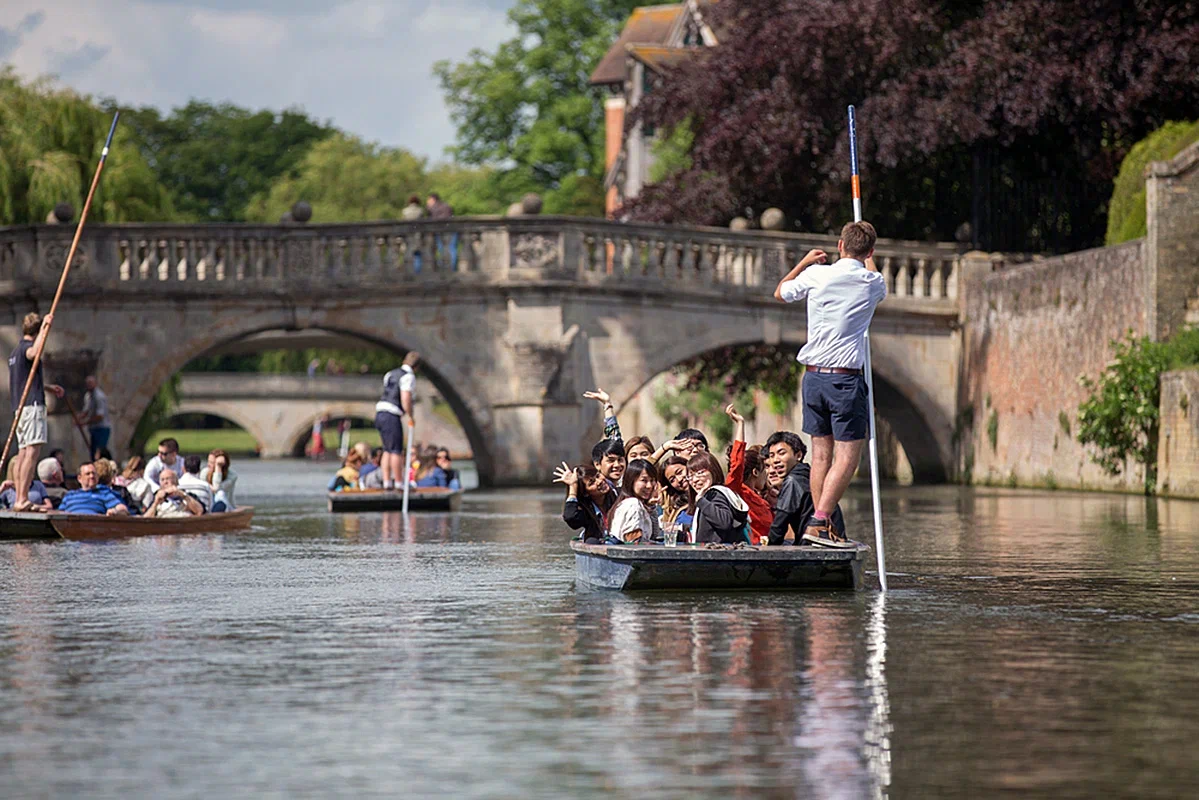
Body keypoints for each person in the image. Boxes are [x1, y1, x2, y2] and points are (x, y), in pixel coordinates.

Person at [774, 221, 886, 547]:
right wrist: (868, 257)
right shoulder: (872, 282)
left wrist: (806, 262)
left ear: (839, 245)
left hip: (813, 378)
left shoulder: (817, 275)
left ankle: (820, 523)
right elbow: (876, 277)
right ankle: (819, 521)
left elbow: (780, 292)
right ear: (870, 252)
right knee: (848, 458)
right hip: (845, 381)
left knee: (821, 457)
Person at [7, 311, 65, 511]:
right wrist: (46, 328)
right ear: (37, 330)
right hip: (31, 407)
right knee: (32, 452)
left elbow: (25, 380)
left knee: (23, 453)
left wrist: (48, 387)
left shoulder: (14, 353)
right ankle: (22, 498)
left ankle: (19, 499)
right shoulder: (26, 349)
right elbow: (35, 352)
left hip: (21, 408)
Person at [765, 431, 846, 546]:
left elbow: (779, 526)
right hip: (833, 541)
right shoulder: (811, 476)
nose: (775, 460)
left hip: (816, 545)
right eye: (772, 455)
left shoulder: (792, 481)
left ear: (798, 455)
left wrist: (769, 550)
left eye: (781, 453)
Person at [724, 404, 775, 545]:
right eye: (765, 469)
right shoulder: (737, 493)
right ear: (755, 472)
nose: (768, 474)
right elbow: (737, 463)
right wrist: (740, 424)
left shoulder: (763, 499)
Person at [375, 352, 418, 490]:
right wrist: (410, 416)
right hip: (392, 414)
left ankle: (387, 482)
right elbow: (405, 398)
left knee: (387, 449)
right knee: (396, 450)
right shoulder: (408, 376)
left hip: (380, 412)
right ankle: (399, 483)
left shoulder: (390, 373)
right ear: (416, 367)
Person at [688, 451, 750, 544]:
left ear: (713, 471)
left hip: (716, 555)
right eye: (690, 476)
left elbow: (724, 522)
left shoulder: (715, 494)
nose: (695, 480)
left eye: (700, 473)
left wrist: (700, 500)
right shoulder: (709, 496)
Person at [554, 462, 616, 544]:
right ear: (586, 493)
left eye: (598, 476)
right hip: (600, 544)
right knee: (592, 541)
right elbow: (570, 517)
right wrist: (573, 487)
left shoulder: (617, 496)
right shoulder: (587, 511)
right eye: (592, 483)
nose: (599, 481)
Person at [605, 459, 662, 544]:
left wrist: (651, 506)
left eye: (652, 480)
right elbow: (634, 543)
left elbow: (653, 535)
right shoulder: (633, 504)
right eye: (644, 480)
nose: (649, 486)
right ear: (631, 481)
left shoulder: (638, 504)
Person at [57, 462, 129, 515]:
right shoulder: (70, 495)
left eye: (94, 473)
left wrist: (115, 511)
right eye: (88, 474)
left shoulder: (104, 493)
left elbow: (123, 509)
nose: (92, 476)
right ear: (79, 478)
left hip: (94, 526)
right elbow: (59, 513)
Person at [657, 454, 695, 541]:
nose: (679, 479)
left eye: (679, 472)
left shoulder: (709, 496)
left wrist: (682, 527)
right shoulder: (675, 508)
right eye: (672, 480)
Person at [79, 375, 112, 461]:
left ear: (95, 384)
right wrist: (78, 419)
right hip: (93, 428)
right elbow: (86, 411)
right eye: (87, 384)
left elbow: (100, 416)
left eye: (90, 383)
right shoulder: (88, 396)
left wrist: (85, 422)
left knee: (100, 452)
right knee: (93, 452)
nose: (89, 385)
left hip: (102, 428)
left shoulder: (99, 397)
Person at [426, 192, 457, 270]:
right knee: (451, 249)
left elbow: (431, 220)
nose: (427, 201)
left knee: (442, 249)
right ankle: (451, 267)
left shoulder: (433, 208)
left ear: (433, 199)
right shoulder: (446, 205)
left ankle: (446, 267)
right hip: (452, 230)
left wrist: (429, 208)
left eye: (428, 199)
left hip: (441, 232)